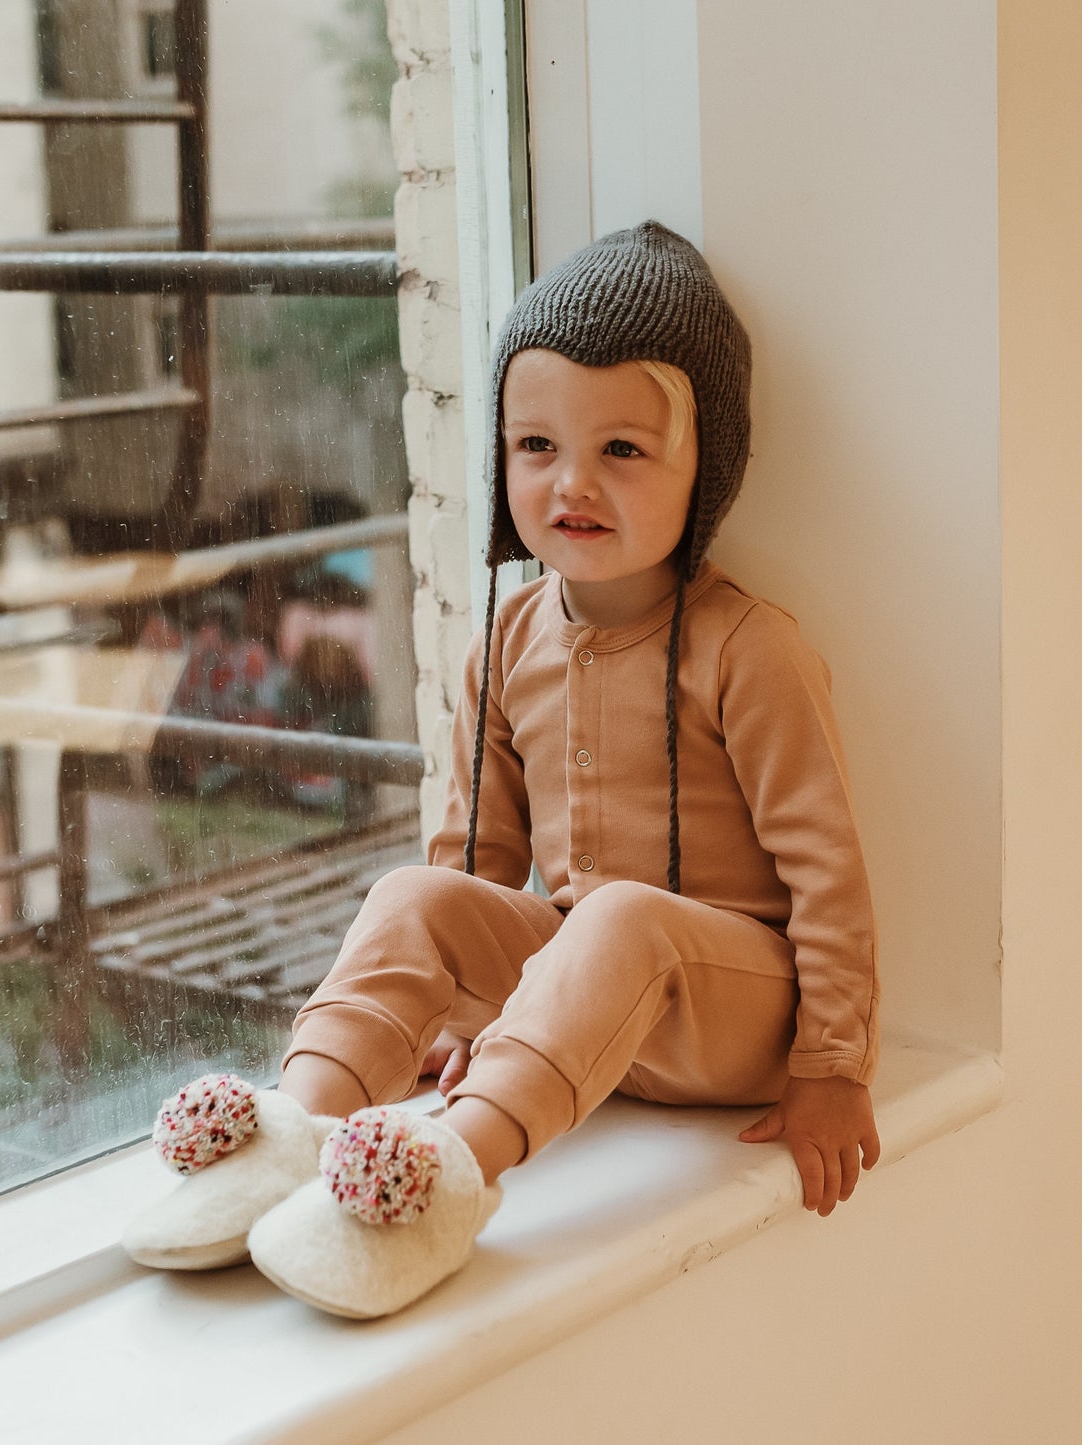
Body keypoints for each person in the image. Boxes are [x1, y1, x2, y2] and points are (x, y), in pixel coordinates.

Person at [121, 221, 881, 1320]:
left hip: (727, 1011)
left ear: (703, 463)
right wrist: (452, 1007)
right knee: (412, 891)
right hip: (584, 999)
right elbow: (476, 863)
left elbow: (829, 872)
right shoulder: (510, 638)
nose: (570, 480)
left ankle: (443, 1172)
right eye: (535, 446)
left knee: (617, 916)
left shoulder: (747, 650)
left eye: (621, 449)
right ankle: (292, 1134)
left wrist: (831, 1064)